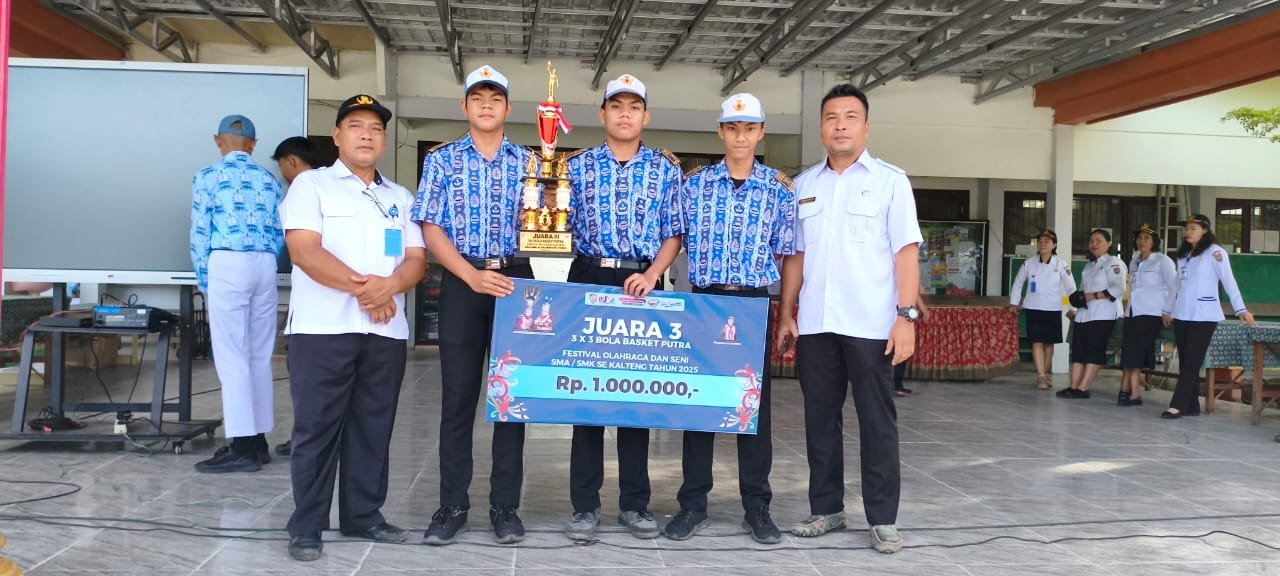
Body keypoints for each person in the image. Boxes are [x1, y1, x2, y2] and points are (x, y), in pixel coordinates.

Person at [775, 83, 921, 554]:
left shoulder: (890, 181)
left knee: (877, 422)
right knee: (820, 421)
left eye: (850, 116)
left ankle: (882, 518)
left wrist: (906, 316)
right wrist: (787, 313)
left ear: (866, 126)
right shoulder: (803, 186)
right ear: (820, 126)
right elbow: (794, 257)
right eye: (832, 116)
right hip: (817, 323)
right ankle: (827, 508)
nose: (840, 124)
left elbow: (906, 253)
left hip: (872, 325)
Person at [280, 94, 426, 561]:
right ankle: (307, 525)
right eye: (356, 125)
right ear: (338, 136)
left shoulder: (398, 198)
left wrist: (390, 288)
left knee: (372, 427)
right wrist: (369, 290)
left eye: (376, 128)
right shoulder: (311, 186)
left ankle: (363, 515)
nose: (367, 134)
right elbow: (304, 251)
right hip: (323, 330)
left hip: (385, 334)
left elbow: (416, 260)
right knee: (317, 428)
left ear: (383, 140)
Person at [412, 65, 536, 546]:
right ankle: (452, 505)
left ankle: (505, 506)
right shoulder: (442, 160)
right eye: (478, 97)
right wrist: (469, 274)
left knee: (511, 399)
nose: (486, 105)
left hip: (515, 280)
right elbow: (431, 227)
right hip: (464, 281)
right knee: (458, 399)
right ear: (464, 107)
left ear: (507, 108)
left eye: (496, 98)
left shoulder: (530, 162)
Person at [663, 93, 795, 544]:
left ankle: (757, 506)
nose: (741, 137)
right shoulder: (694, 185)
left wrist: (786, 314)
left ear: (761, 133)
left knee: (752, 411)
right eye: (733, 128)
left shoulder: (779, 189)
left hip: (753, 303)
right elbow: (674, 240)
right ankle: (692, 505)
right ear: (721, 132)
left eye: (750, 128)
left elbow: (790, 253)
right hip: (705, 302)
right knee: (700, 407)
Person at [563, 73, 685, 541]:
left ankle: (635, 504)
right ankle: (584, 506)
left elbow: (675, 231)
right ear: (603, 115)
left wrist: (654, 273)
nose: (626, 113)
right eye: (617, 106)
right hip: (589, 275)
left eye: (635, 106)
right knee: (587, 396)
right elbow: (555, 222)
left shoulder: (665, 169)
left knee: (637, 397)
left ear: (645, 116)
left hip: (642, 280)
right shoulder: (576, 166)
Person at [189, 114, 284, 473]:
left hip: (227, 262)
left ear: (218, 141)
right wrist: (266, 262)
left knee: (232, 356)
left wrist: (204, 277)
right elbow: (278, 232)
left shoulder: (208, 177)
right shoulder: (269, 179)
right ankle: (258, 441)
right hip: (263, 265)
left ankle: (242, 446)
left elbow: (200, 230)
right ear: (254, 145)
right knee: (259, 354)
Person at [1161, 214, 1255, 419]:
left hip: (1204, 315)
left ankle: (1177, 405)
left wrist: (1241, 310)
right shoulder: (1184, 254)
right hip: (1182, 313)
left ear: (1204, 230)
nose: (1188, 232)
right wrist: (1167, 310)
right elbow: (1176, 284)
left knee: (1192, 361)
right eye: (1186, 228)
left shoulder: (1216, 253)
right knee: (1186, 360)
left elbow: (1229, 282)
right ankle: (1191, 405)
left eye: (1193, 228)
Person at [271, 136, 320, 459]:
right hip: (324, 306)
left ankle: (307, 440)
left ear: (290, 161)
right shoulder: (329, 188)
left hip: (314, 310)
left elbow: (294, 251)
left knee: (308, 384)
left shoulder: (303, 190)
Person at [1058, 228, 1126, 399]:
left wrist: (1093, 296)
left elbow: (1118, 288)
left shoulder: (1113, 263)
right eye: (1091, 241)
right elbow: (1081, 290)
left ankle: (1083, 388)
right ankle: (1073, 386)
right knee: (1079, 351)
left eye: (1098, 240)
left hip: (1103, 314)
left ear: (1109, 243)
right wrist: (1074, 307)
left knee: (1093, 351)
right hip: (1084, 314)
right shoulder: (1089, 266)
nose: (1094, 244)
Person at [1009, 229, 1076, 390]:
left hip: (1052, 308)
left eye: (1047, 241)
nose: (1043, 244)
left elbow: (1070, 287)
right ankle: (1040, 375)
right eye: (1040, 241)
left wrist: (1073, 307)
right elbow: (1018, 283)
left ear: (1054, 245)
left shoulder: (1061, 264)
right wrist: (1014, 303)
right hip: (1033, 307)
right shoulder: (1029, 263)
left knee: (1049, 344)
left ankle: (1045, 373)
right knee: (1036, 342)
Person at [1119, 224, 1176, 406]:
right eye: (1139, 238)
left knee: (1134, 352)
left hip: (1152, 312)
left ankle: (1131, 392)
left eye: (1146, 238)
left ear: (1154, 242)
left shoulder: (1163, 261)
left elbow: (1175, 287)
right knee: (1130, 350)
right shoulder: (1134, 261)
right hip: (1133, 312)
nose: (1142, 241)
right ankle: (1129, 390)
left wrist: (1169, 311)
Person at [892, 296, 929, 397]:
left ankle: (895, 385)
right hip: (897, 314)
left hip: (897, 313)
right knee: (899, 349)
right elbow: (915, 293)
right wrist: (924, 309)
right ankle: (896, 385)